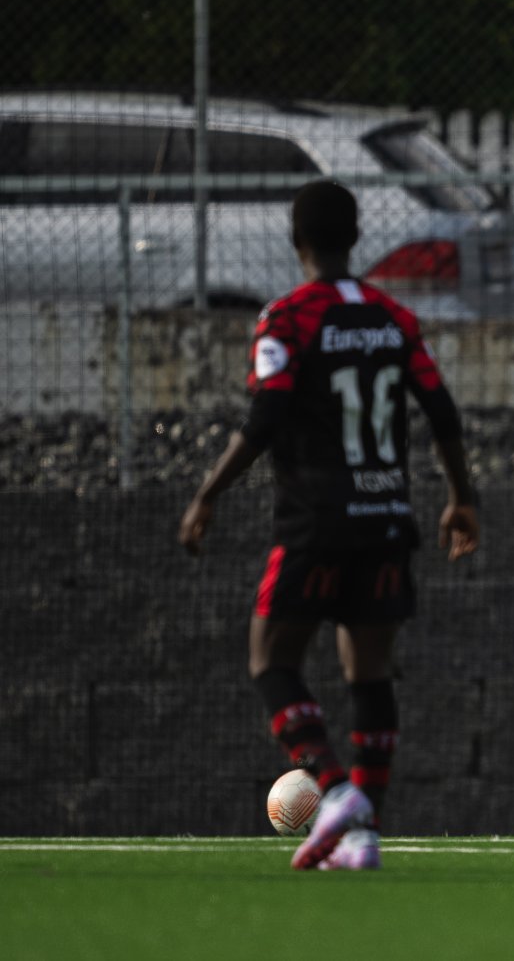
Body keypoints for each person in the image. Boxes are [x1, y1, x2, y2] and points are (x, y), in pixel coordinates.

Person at [179, 179, 479, 870]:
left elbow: (266, 416)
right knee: (368, 673)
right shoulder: (394, 318)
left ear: (297, 240)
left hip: (316, 520)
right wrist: (464, 497)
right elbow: (442, 412)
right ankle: (362, 835)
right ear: (356, 238)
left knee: (270, 660)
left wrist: (207, 495)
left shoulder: (287, 318)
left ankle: (337, 787)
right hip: (387, 518)